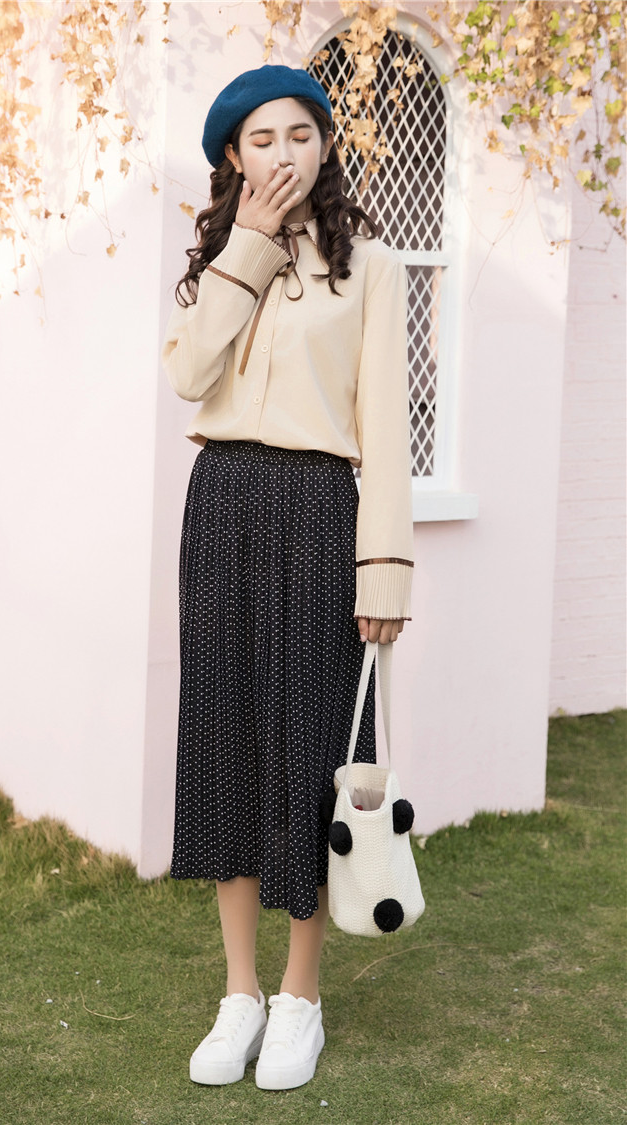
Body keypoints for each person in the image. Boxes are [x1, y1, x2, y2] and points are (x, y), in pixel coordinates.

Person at [162, 64, 413, 1092]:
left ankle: (301, 998)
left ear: (325, 147)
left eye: (301, 135)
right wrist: (251, 248)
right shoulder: (216, 261)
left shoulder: (373, 267)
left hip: (319, 511)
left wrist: (385, 568)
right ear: (234, 155)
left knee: (311, 751)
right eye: (261, 139)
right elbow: (189, 376)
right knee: (227, 741)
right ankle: (241, 994)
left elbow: (386, 429)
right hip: (221, 503)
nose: (283, 155)